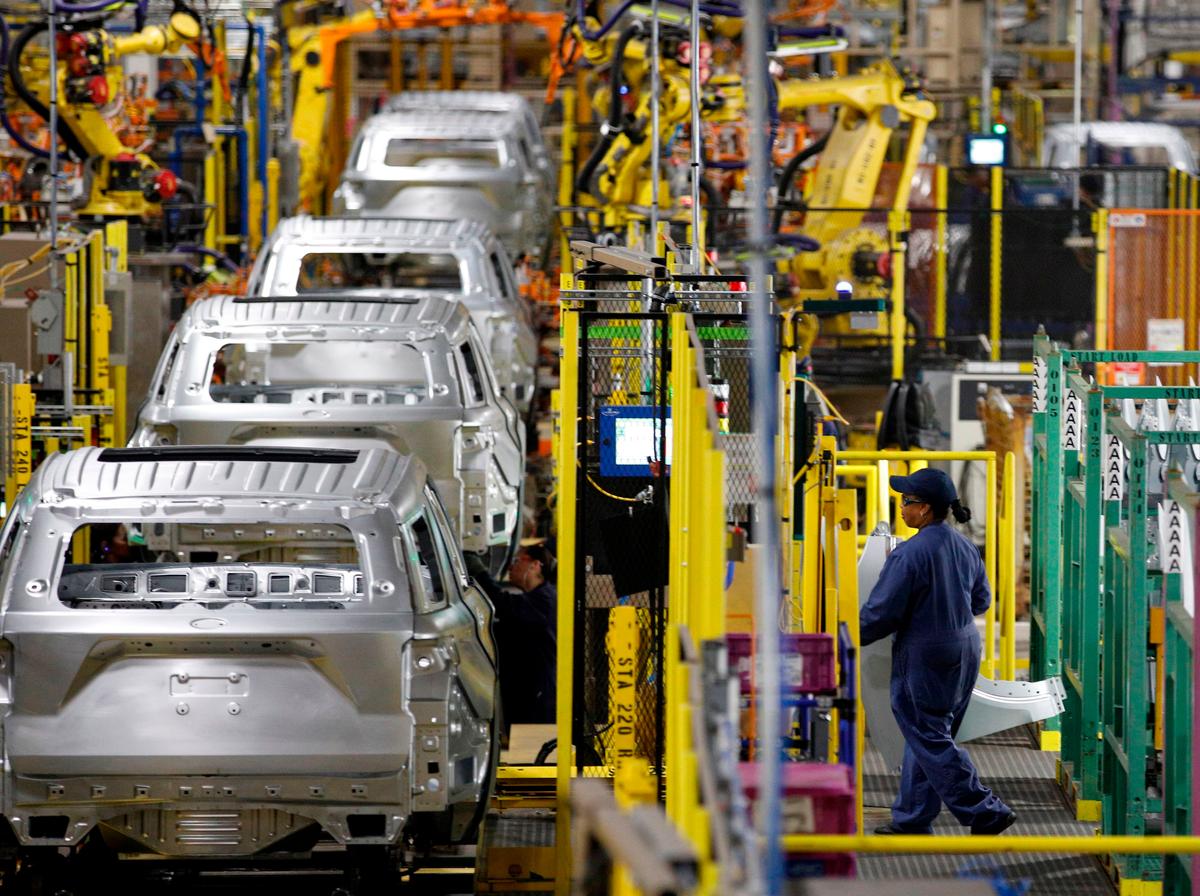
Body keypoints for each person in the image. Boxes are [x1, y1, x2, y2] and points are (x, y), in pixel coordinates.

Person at [860, 468, 1016, 836]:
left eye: (907, 502)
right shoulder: (963, 546)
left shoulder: (909, 555)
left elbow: (882, 613)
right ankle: (913, 817)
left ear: (926, 509)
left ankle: (985, 809)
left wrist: (841, 634)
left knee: (928, 735)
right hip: (964, 646)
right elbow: (982, 600)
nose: (901, 508)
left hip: (925, 652)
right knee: (928, 734)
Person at [468, 543, 557, 726]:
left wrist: (479, 572)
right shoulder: (537, 599)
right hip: (527, 693)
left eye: (517, 560)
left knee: (531, 750)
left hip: (536, 698)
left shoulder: (544, 600)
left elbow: (502, 604)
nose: (511, 566)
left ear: (535, 565)